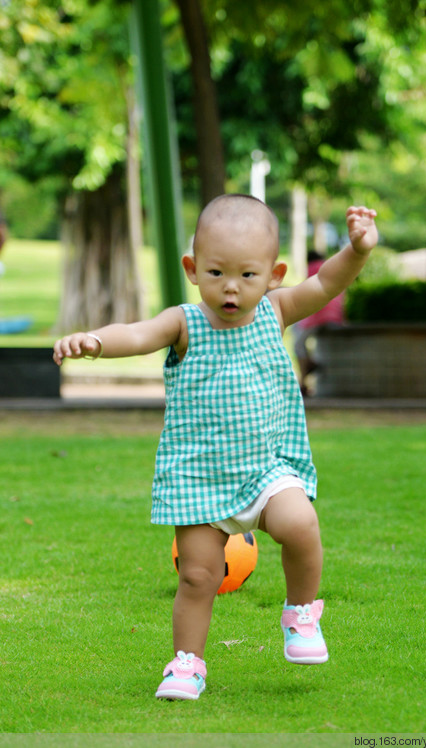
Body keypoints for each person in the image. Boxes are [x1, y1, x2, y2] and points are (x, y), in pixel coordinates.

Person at [53, 194, 378, 701]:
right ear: (192, 268)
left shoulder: (277, 310)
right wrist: (95, 341)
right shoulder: (184, 323)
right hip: (199, 478)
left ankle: (300, 614)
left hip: (266, 470)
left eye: (248, 275)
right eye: (216, 272)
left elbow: (326, 283)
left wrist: (357, 250)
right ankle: (187, 664)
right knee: (199, 576)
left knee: (300, 524)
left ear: (273, 274)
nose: (231, 287)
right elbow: (136, 334)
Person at [294, 250, 345, 396]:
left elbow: (308, 295)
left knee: (298, 343)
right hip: (335, 317)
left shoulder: (312, 269)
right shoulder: (333, 269)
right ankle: (306, 373)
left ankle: (305, 375)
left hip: (318, 316)